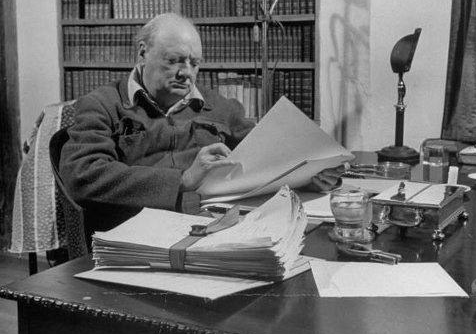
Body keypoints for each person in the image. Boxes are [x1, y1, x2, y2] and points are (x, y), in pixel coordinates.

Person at [60, 13, 340, 235]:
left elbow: (268, 155)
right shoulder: (102, 104)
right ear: (142, 53)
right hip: (132, 237)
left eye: (195, 63)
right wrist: (182, 180)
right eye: (174, 61)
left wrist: (309, 172)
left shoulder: (218, 105)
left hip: (214, 231)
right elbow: (83, 176)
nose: (186, 73)